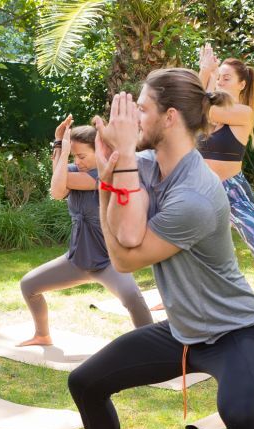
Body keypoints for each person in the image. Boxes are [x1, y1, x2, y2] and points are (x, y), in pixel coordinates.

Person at [67, 68, 254, 429]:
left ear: (170, 117)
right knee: (85, 382)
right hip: (185, 330)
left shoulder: (195, 195)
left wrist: (120, 167)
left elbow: (125, 256)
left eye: (142, 109)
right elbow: (127, 233)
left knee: (238, 415)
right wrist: (109, 178)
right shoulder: (147, 166)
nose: (133, 120)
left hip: (236, 330)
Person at [17, 117, 153, 347]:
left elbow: (58, 183)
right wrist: (59, 144)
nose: (77, 162)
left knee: (131, 297)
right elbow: (58, 190)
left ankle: (154, 347)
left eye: (81, 156)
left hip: (108, 262)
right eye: (73, 157)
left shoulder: (103, 173)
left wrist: (64, 150)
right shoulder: (71, 171)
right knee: (28, 286)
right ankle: (42, 335)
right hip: (77, 260)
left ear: (98, 150)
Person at [197, 44, 254, 305]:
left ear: (241, 84)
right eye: (219, 76)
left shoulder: (243, 113)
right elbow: (191, 105)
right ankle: (188, 300)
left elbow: (203, 108)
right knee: (187, 247)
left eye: (226, 78)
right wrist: (205, 71)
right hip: (202, 190)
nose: (221, 81)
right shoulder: (206, 108)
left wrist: (207, 76)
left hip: (232, 190)